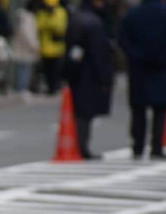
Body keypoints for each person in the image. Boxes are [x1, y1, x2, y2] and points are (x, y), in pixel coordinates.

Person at [118, 0, 166, 160]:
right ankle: (156, 147)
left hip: (139, 69)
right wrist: (165, 56)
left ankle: (137, 147)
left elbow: (123, 39)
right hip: (162, 68)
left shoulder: (133, 14)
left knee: (138, 110)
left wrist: (136, 55)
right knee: (160, 111)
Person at [63, 0, 114, 159]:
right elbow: (100, 54)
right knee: (85, 114)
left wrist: (69, 71)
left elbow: (74, 50)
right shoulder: (95, 23)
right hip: (90, 75)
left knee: (79, 112)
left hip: (77, 73)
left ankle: (79, 146)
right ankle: (82, 147)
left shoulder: (76, 19)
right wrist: (105, 78)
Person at [36, 0, 68, 95]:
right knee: (47, 69)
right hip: (45, 48)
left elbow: (61, 26)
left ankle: (55, 86)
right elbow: (40, 26)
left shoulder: (61, 12)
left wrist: (51, 24)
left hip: (58, 48)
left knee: (57, 69)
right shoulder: (42, 13)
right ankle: (50, 87)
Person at [11, 0, 40, 97]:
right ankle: (22, 89)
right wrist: (34, 46)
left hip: (21, 48)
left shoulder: (21, 17)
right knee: (25, 70)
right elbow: (28, 34)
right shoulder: (28, 18)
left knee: (21, 69)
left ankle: (20, 88)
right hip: (26, 49)